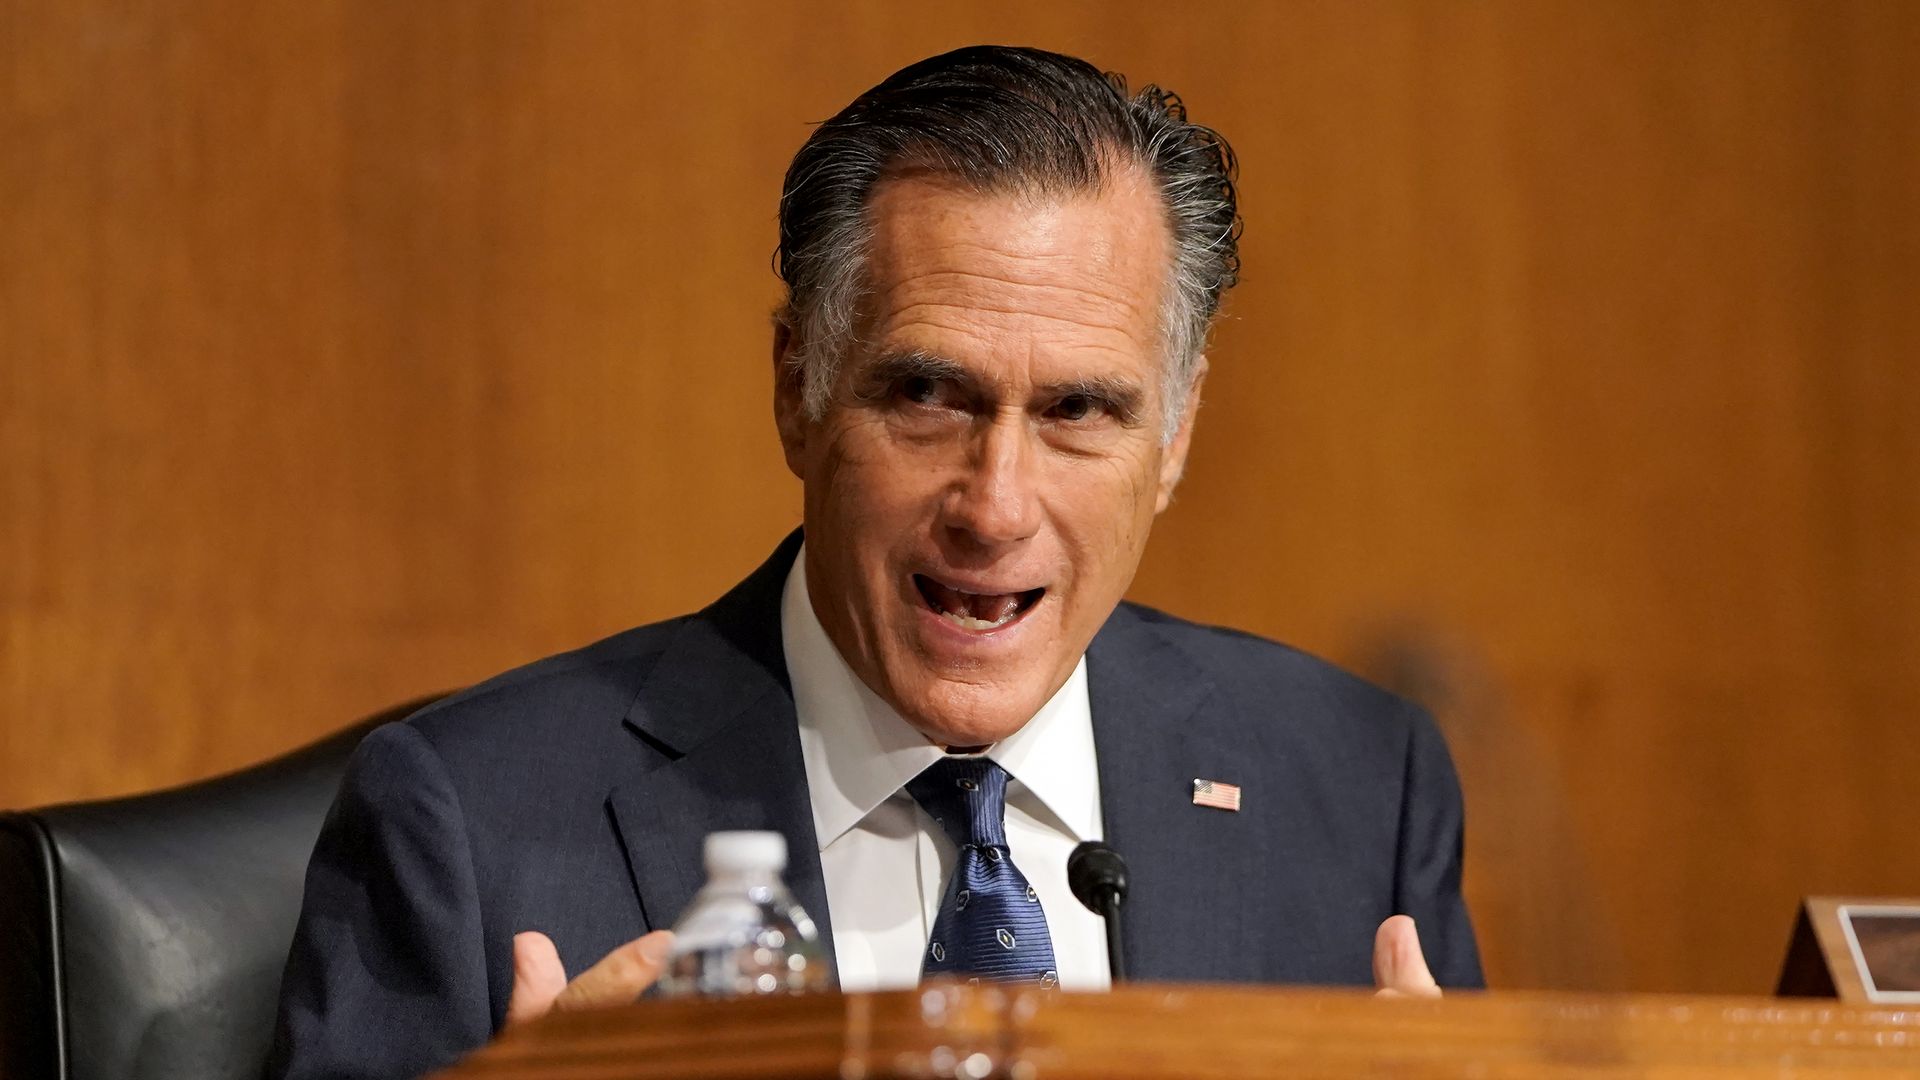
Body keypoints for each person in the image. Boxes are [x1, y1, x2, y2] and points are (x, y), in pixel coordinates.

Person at [268, 44, 1481, 1080]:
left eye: (1077, 411)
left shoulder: (1356, 789)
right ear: (797, 390)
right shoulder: (471, 823)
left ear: (1174, 439)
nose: (994, 508)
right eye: (926, 396)